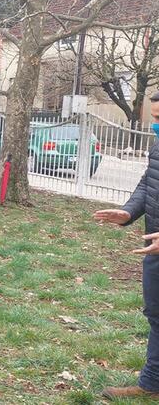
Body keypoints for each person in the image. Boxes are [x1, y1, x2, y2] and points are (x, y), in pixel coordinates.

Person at [93, 93, 159, 400]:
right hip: (154, 247)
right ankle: (151, 384)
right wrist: (129, 211)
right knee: (156, 315)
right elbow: (149, 183)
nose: (156, 125)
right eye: (155, 118)